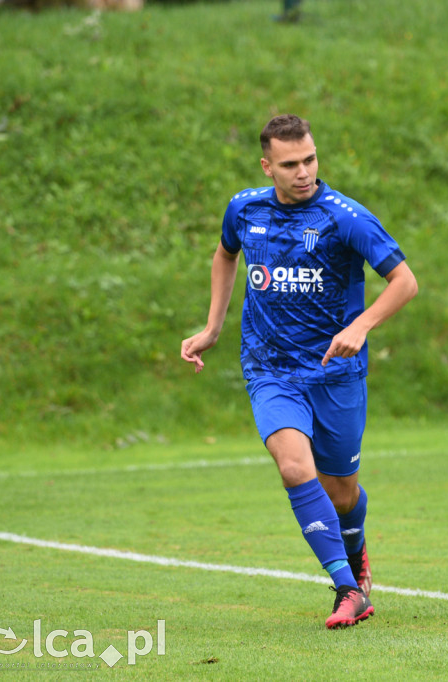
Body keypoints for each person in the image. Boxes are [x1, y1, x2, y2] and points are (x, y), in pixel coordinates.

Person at [181, 114, 417, 629]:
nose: (304, 171)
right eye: (290, 164)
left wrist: (364, 324)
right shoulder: (244, 209)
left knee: (342, 493)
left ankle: (356, 553)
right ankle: (347, 589)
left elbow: (404, 281)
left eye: (310, 159)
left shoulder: (346, 217)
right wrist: (212, 327)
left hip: (336, 374)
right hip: (270, 369)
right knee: (292, 466)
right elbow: (225, 256)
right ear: (268, 166)